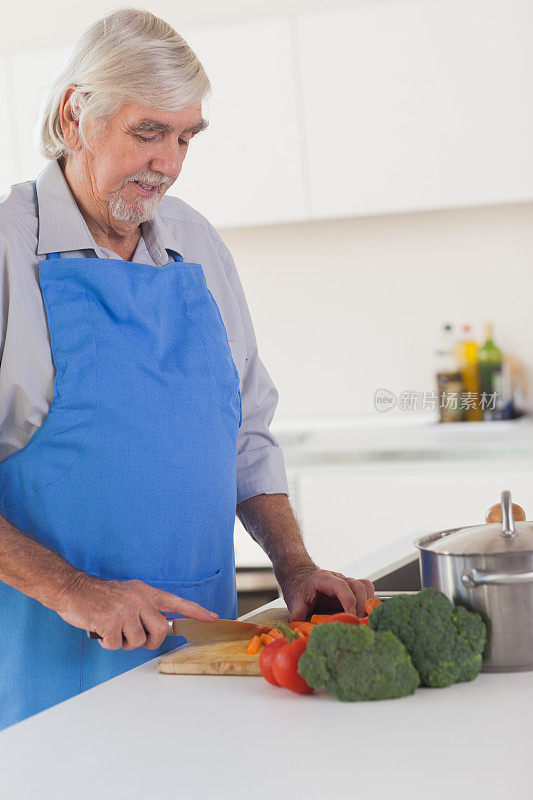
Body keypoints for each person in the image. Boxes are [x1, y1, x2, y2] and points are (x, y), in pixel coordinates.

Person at [0, 8, 374, 729]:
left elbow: (244, 437)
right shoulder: (9, 252)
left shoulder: (197, 246)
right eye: (148, 133)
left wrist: (294, 566)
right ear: (76, 114)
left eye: (185, 137)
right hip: (47, 686)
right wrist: (75, 590)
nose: (168, 163)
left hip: (202, 665)